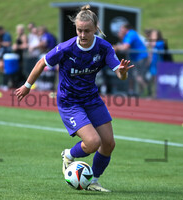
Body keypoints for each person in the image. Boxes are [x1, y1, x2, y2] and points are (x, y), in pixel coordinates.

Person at [15, 5, 134, 192]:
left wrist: (123, 73)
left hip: (92, 99)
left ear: (95, 28)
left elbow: (119, 73)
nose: (82, 34)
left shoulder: (103, 48)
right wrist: (27, 86)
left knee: (109, 144)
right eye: (79, 30)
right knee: (93, 143)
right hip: (70, 102)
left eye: (87, 30)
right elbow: (41, 63)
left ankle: (93, 180)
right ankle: (68, 154)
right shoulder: (65, 48)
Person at [113, 23, 148, 96]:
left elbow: (125, 47)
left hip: (140, 57)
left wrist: (116, 47)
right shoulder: (128, 35)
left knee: (138, 76)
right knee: (133, 76)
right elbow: (124, 45)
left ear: (126, 29)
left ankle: (148, 91)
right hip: (135, 58)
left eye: (122, 28)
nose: (120, 30)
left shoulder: (131, 33)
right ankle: (142, 93)